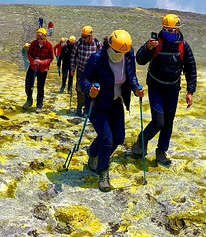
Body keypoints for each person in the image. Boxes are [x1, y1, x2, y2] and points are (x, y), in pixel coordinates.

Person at [80, 30, 143, 192]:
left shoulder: (128, 56)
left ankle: (93, 152)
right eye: (117, 52)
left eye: (123, 52)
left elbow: (132, 76)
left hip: (115, 102)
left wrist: (136, 89)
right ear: (109, 45)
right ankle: (103, 172)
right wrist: (89, 90)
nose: (119, 55)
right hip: (97, 104)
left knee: (119, 137)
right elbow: (83, 80)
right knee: (107, 139)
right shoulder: (97, 58)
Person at [132, 14, 197, 166]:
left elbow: (190, 68)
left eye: (172, 30)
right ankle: (141, 141)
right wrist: (147, 48)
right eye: (166, 29)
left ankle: (161, 151)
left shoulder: (183, 46)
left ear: (178, 30)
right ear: (162, 28)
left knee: (168, 122)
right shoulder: (155, 43)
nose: (169, 32)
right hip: (156, 87)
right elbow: (140, 60)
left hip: (173, 89)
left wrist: (190, 91)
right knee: (158, 122)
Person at [70, 25, 102, 116]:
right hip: (80, 70)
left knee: (90, 90)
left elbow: (102, 57)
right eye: (82, 36)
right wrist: (72, 68)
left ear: (90, 36)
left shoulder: (97, 44)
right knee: (79, 89)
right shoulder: (79, 43)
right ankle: (79, 107)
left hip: (92, 72)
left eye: (85, 36)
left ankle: (87, 109)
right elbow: (73, 56)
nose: (83, 38)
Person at [22, 28, 53, 113]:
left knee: (40, 87)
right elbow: (29, 54)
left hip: (43, 70)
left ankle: (39, 105)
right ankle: (29, 100)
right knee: (28, 85)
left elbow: (51, 58)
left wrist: (41, 62)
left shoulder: (49, 46)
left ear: (45, 37)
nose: (39, 40)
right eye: (38, 38)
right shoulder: (33, 43)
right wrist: (33, 61)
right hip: (32, 67)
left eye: (42, 39)